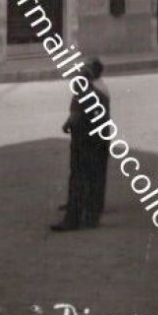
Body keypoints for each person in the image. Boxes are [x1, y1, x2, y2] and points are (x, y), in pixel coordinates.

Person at [53, 58, 110, 232]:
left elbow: (74, 119)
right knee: (93, 178)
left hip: (84, 142)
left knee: (78, 179)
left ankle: (72, 219)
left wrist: (66, 126)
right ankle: (91, 218)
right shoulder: (101, 93)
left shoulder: (80, 97)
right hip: (101, 140)